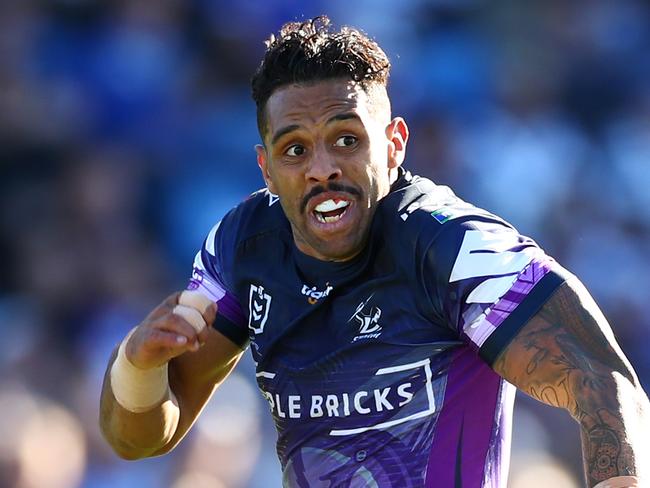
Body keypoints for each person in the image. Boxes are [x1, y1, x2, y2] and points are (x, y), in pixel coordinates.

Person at [99, 16, 649, 488]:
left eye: (346, 139)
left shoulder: (456, 248)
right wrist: (138, 364)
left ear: (393, 144)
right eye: (295, 149)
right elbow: (140, 440)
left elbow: (604, 381)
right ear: (266, 168)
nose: (323, 169)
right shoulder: (241, 247)